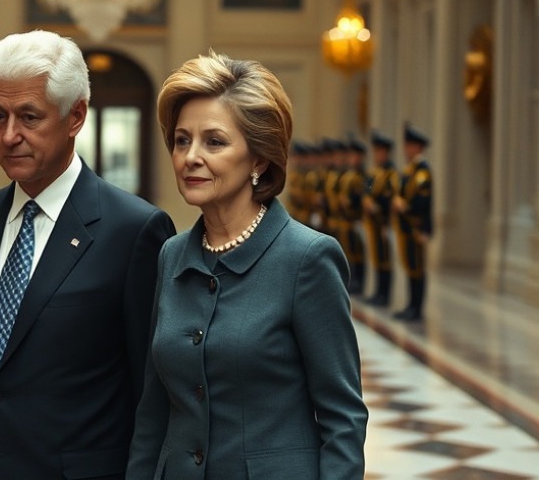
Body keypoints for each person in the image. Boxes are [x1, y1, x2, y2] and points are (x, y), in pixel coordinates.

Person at [0, 30, 175, 480]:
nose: (9, 136)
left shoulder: (134, 231)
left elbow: (152, 396)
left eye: (28, 117)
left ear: (75, 116)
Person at [127, 51, 367, 479]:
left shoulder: (308, 258)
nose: (190, 157)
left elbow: (343, 417)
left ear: (258, 159)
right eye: (182, 140)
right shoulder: (172, 255)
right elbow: (154, 408)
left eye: (214, 142)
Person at [392, 124, 433, 321]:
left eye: (409, 146)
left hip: (416, 228)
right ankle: (411, 305)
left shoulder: (422, 172)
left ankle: (417, 309)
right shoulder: (410, 171)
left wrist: (405, 206)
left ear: (418, 148)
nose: (406, 150)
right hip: (406, 228)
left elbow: (424, 201)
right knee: (410, 266)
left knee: (417, 268)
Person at [363, 131, 398, 306]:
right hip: (374, 223)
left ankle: (385, 294)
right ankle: (378, 291)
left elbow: (389, 196)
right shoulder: (376, 173)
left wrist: (376, 205)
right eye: (375, 152)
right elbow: (368, 190)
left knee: (385, 259)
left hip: (384, 222)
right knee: (377, 257)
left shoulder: (391, 174)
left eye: (380, 152)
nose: (377, 155)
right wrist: (367, 200)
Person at [337, 137, 368, 295]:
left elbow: (362, 196)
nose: (352, 159)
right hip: (346, 221)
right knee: (348, 251)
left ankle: (359, 282)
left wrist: (350, 202)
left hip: (356, 220)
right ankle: (351, 279)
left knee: (358, 253)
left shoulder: (362, 176)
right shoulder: (348, 175)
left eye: (355, 155)